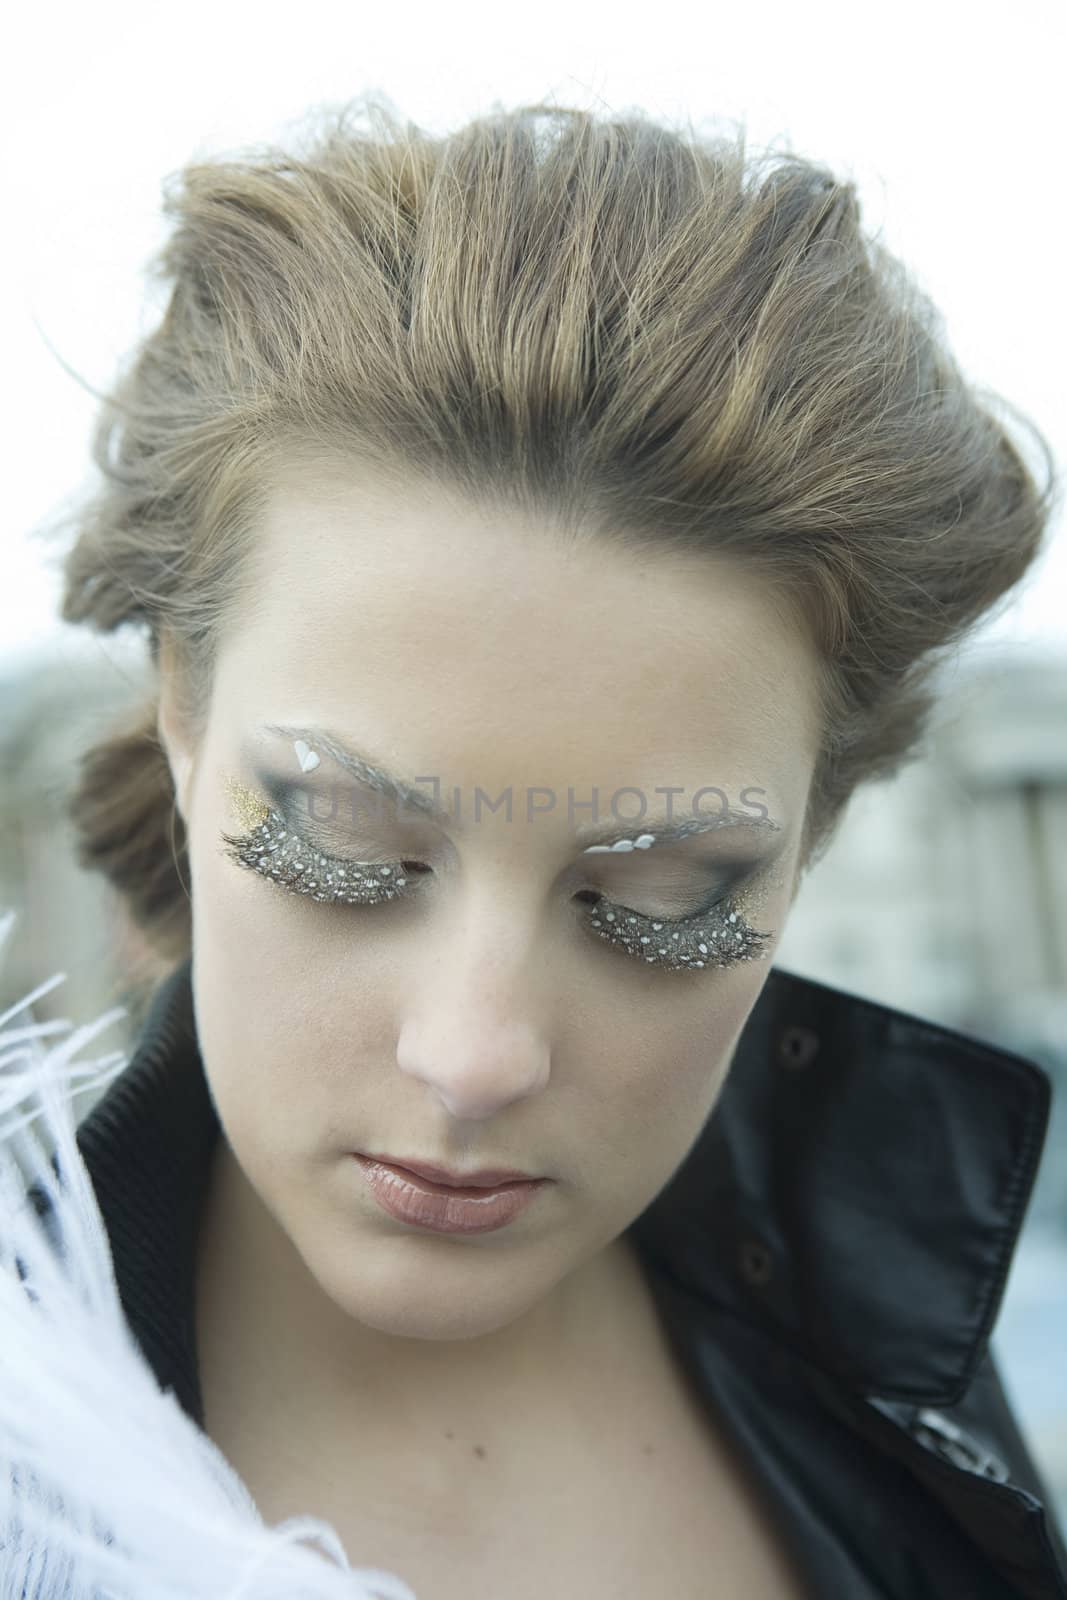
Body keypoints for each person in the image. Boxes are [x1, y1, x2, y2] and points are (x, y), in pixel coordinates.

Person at [10, 95, 1067, 1596]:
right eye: (352, 849)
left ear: (815, 831)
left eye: (657, 898)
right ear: (182, 704)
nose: (476, 1055)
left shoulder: (896, 1354)